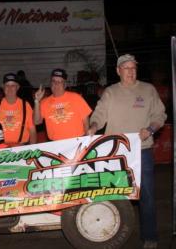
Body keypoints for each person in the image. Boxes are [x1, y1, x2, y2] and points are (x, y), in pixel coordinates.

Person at [87, 54, 166, 249]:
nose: (131, 71)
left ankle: (150, 237)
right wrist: (93, 126)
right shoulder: (111, 92)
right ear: (118, 71)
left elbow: (159, 115)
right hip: (117, 154)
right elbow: (99, 115)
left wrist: (151, 129)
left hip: (142, 151)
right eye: (126, 68)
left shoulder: (148, 90)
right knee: (114, 195)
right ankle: (113, 234)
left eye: (133, 68)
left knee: (146, 195)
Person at [34, 68, 92, 141]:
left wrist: (87, 139)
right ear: (50, 83)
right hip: (55, 143)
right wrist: (37, 101)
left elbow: (86, 121)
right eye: (54, 81)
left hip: (77, 141)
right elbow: (37, 121)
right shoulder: (44, 102)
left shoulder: (76, 97)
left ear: (65, 85)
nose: (56, 84)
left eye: (59, 81)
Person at [0, 73, 37, 145]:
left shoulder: (25, 105)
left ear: (18, 87)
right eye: (7, 85)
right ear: (3, 87)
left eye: (13, 85)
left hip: (20, 148)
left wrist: (32, 149)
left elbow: (32, 130)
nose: (10, 88)